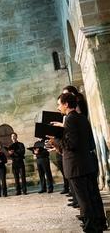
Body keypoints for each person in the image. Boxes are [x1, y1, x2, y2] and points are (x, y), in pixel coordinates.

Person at [48, 93, 106, 232]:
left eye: (59, 104)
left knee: (83, 199)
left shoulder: (69, 119)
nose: (58, 107)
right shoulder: (81, 118)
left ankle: (91, 227)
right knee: (93, 196)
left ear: (66, 104)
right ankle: (100, 223)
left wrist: (55, 139)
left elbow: (71, 144)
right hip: (87, 163)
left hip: (76, 166)